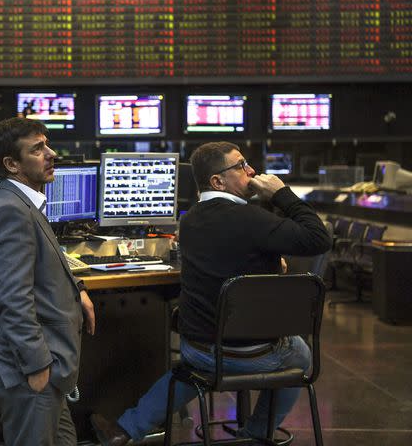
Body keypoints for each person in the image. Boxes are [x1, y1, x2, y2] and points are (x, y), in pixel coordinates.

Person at [90, 141, 332, 445]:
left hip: (200, 348)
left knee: (194, 366)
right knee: (301, 356)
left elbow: (229, 250)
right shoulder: (254, 220)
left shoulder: (188, 220)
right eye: (241, 166)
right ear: (218, 180)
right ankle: (255, 436)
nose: (252, 171)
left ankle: (124, 431)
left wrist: (268, 260)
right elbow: (319, 238)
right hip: (252, 354)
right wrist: (282, 194)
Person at [0, 118, 96, 445]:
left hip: (44, 368)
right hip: (29, 369)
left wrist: (77, 290)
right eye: (38, 149)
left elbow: (41, 266)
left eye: (47, 144)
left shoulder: (21, 202)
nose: (51, 153)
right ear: (12, 164)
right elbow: (13, 299)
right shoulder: (10, 211)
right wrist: (37, 368)